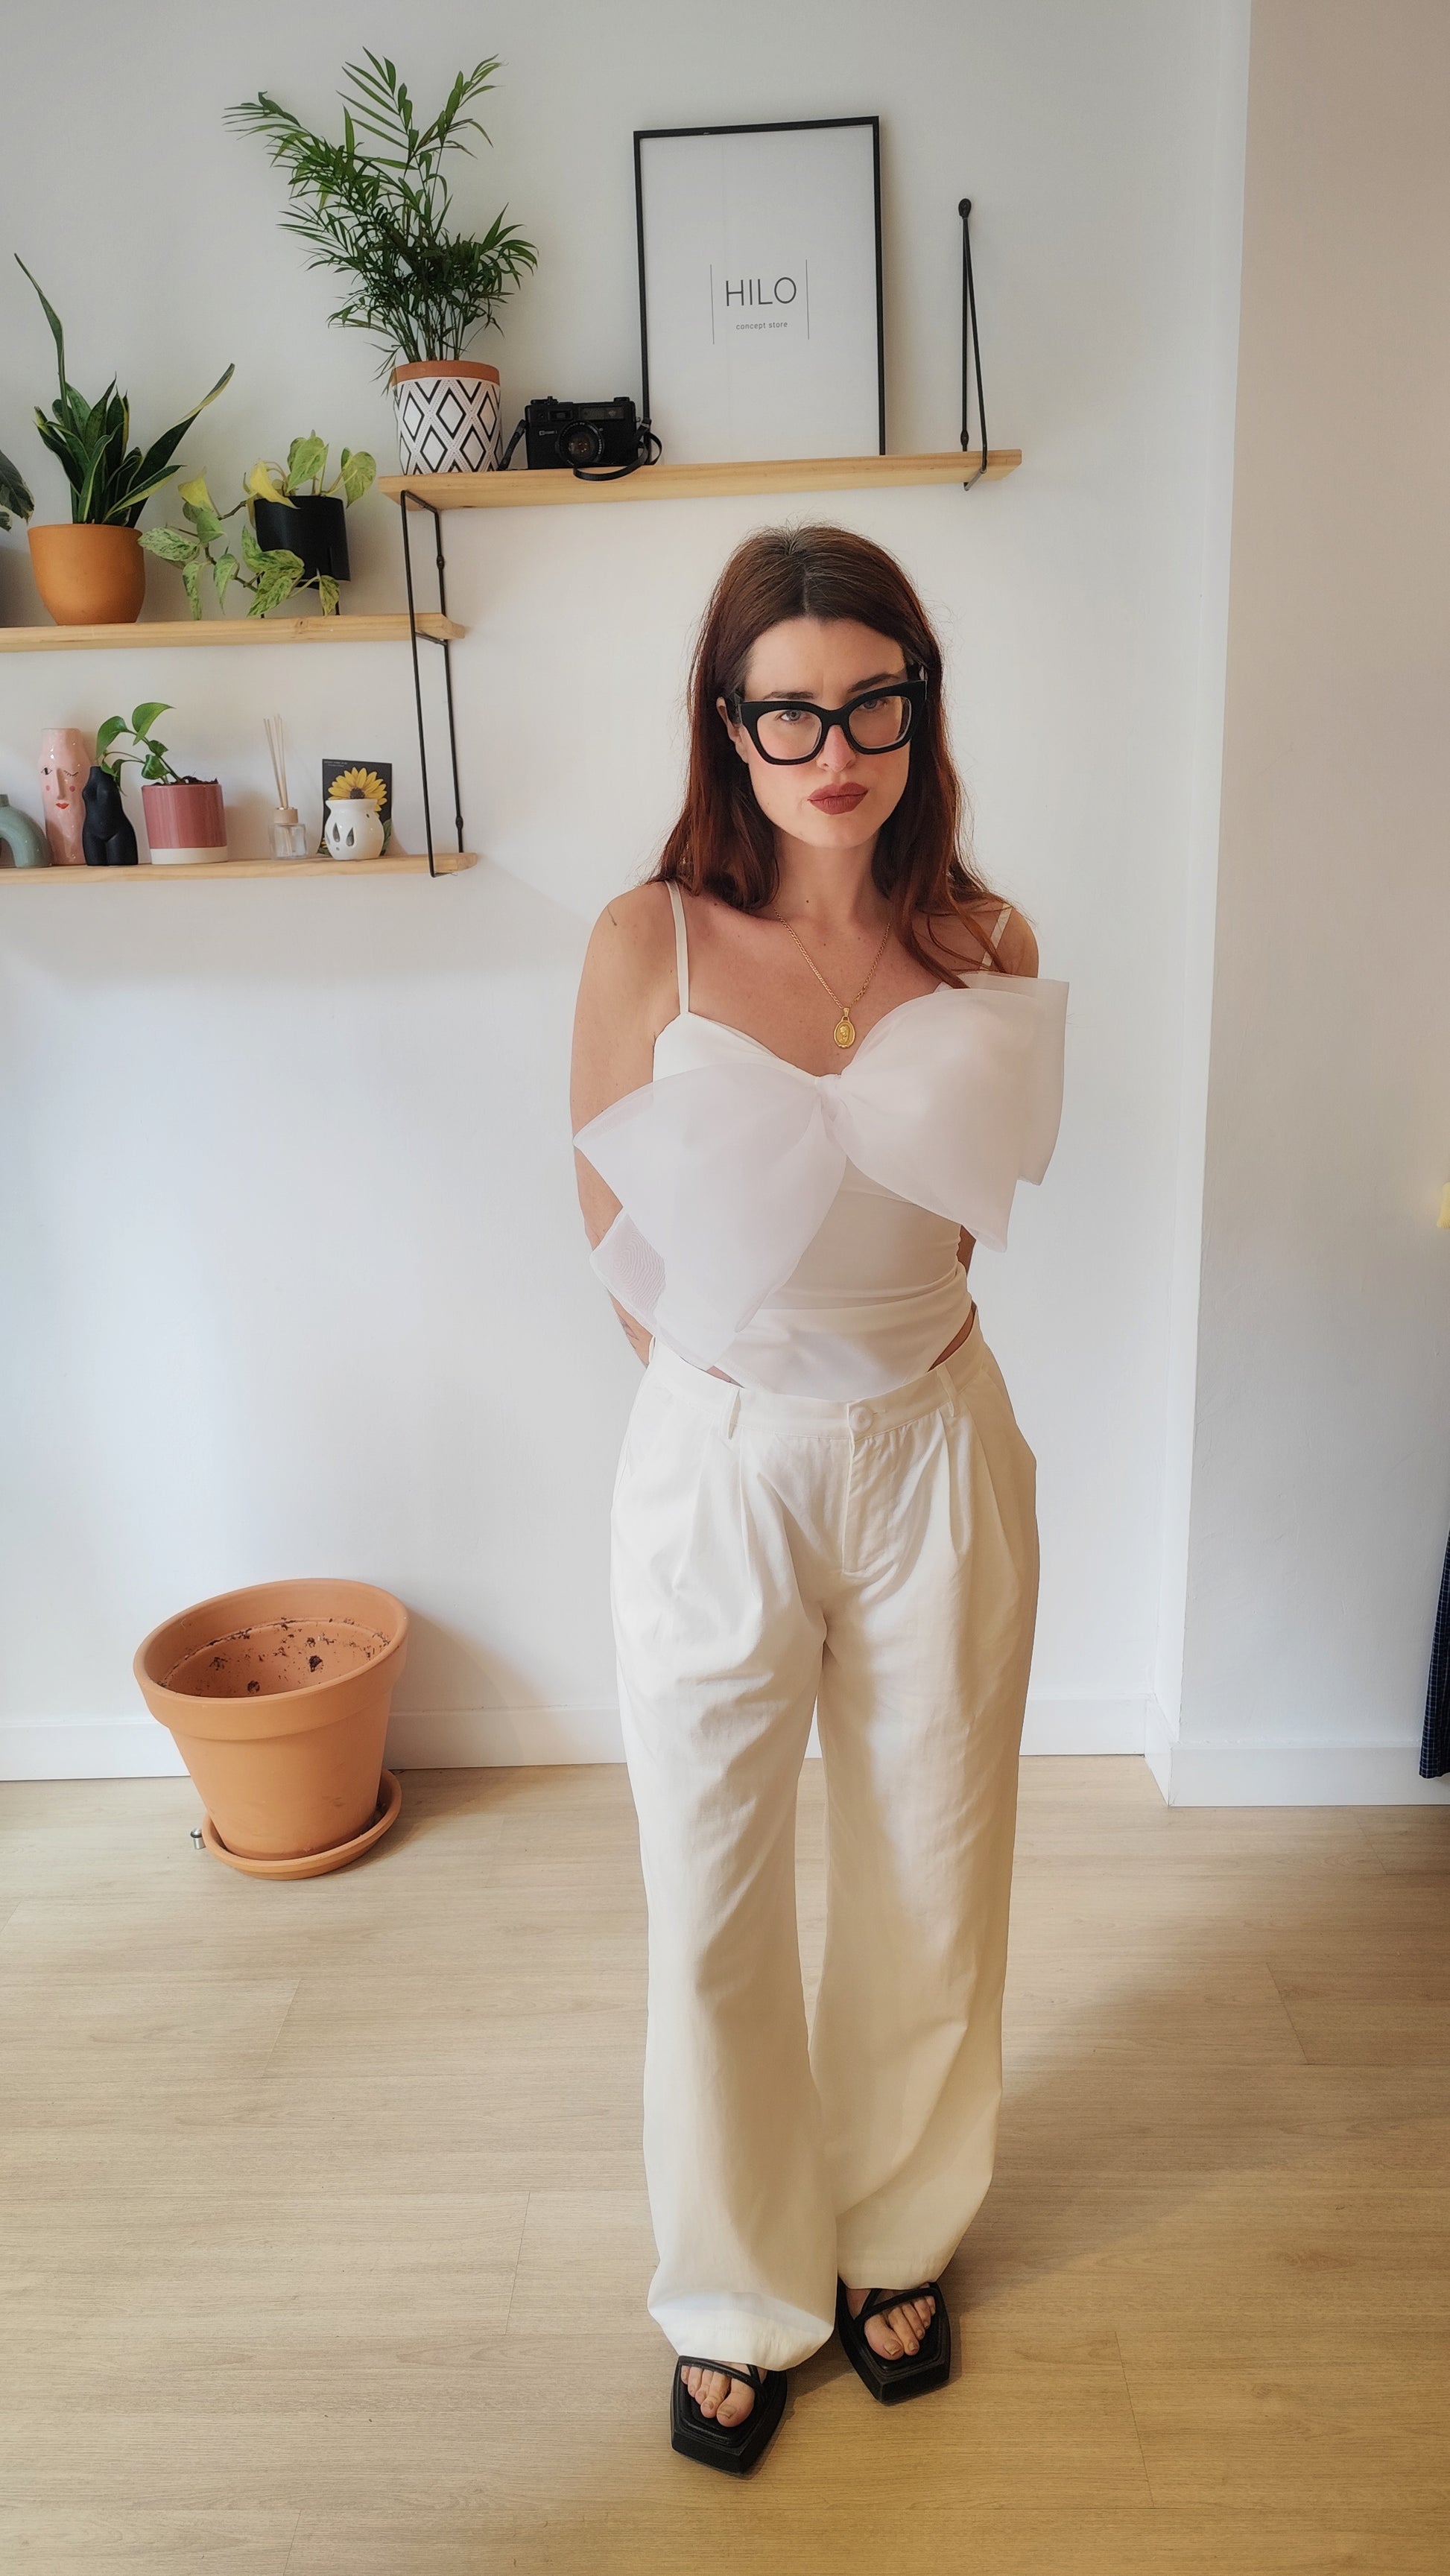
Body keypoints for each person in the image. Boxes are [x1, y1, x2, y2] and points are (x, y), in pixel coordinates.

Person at [569, 523, 1066, 2473]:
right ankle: (732, 2286)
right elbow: (610, 1227)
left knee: (934, 1870)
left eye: (871, 702)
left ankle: (895, 2236)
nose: (832, 747)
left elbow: (964, 1218)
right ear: (729, 722)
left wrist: (876, 1369)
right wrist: (741, 1400)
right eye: (788, 710)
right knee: (709, 1891)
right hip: (721, 1456)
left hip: (936, 1439)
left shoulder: (988, 943)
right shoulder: (650, 942)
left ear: (918, 710)